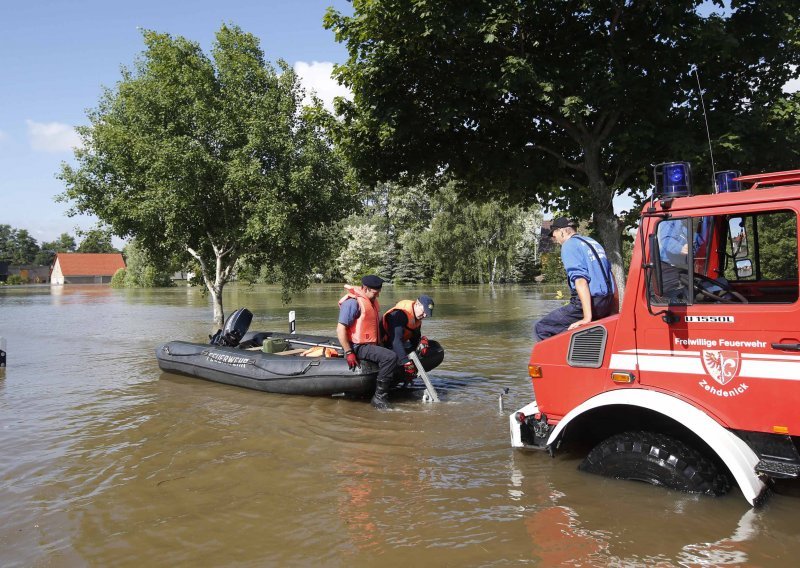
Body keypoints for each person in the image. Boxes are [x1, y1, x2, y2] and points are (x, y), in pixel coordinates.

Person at [534, 218, 616, 340]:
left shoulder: (569, 245)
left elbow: (580, 281)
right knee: (578, 331)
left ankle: (562, 359)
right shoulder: (593, 243)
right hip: (606, 301)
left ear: (562, 231)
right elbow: (611, 277)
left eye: (554, 234)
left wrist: (587, 318)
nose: (553, 238)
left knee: (543, 328)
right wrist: (613, 310)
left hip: (590, 303)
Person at [337, 274, 398, 409]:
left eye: (378, 292)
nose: (378, 295)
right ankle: (379, 398)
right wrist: (349, 352)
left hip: (370, 344)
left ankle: (383, 389)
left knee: (394, 352)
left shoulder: (372, 301)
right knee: (390, 357)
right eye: (375, 292)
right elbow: (340, 329)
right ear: (365, 288)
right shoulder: (352, 303)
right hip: (357, 346)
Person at [382, 295, 434, 382]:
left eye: (427, 313)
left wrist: (420, 343)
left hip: (398, 343)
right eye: (423, 311)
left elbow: (414, 338)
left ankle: (407, 377)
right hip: (384, 344)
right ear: (417, 304)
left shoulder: (417, 318)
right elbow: (395, 341)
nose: (424, 315)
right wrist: (406, 362)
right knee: (395, 357)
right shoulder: (399, 314)